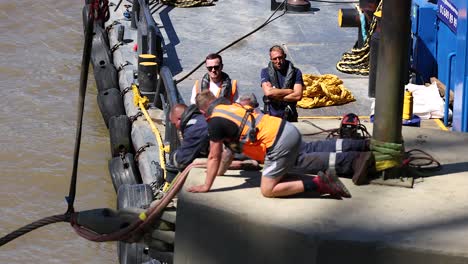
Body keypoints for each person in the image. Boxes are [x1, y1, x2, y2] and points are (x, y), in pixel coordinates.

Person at [188, 90, 375, 198]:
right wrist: (219, 171)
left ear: (204, 112)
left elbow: (214, 156)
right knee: (309, 149)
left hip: (276, 145)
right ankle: (360, 146)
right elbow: (229, 151)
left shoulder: (215, 122)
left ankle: (320, 183)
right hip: (285, 129)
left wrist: (207, 185)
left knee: (269, 189)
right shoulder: (232, 107)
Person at [169, 103, 259, 173]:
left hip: (243, 151)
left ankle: (244, 163)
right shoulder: (201, 118)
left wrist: (174, 156)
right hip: (246, 142)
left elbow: (182, 160)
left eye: (174, 124)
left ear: (179, 119)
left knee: (196, 162)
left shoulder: (194, 129)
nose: (176, 127)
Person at [260, 45, 304, 122]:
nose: (278, 61)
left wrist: (275, 95)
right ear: (271, 59)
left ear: (285, 56)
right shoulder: (265, 72)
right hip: (271, 116)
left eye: (280, 58)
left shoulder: (296, 72)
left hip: (290, 115)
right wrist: (289, 91)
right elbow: (268, 92)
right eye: (275, 59)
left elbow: (298, 96)